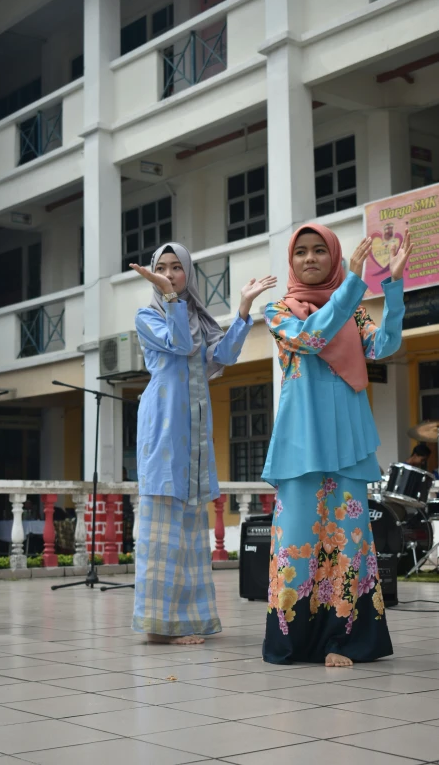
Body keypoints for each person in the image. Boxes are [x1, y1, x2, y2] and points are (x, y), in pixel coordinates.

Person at [261, 224, 412, 667]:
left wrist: (394, 287)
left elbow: (384, 346)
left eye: (319, 251)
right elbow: (311, 338)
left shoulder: (354, 310)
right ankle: (295, 640)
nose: (310, 259)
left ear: (334, 256)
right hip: (301, 441)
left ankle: (343, 640)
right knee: (297, 543)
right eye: (302, 252)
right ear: (292, 261)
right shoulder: (278, 310)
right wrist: (354, 285)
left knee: (349, 544)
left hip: (348, 440)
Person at [130, 243, 276, 645]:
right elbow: (179, 345)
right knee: (163, 527)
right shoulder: (150, 315)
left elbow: (223, 354)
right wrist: (172, 299)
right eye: (163, 268)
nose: (171, 274)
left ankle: (188, 621)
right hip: (163, 425)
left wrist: (243, 309)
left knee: (191, 530)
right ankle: (159, 626)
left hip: (194, 430)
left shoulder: (195, 316)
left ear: (189, 273)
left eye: (178, 268)